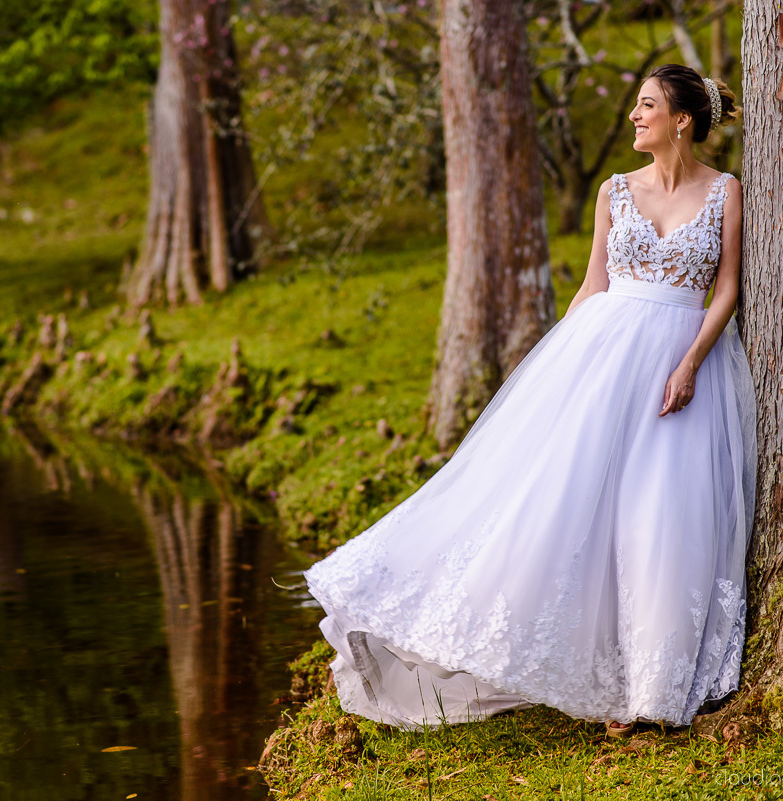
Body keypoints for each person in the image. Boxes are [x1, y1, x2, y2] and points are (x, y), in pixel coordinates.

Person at [303, 64, 756, 738]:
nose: (634, 116)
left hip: (683, 367)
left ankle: (650, 684)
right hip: (606, 358)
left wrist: (690, 362)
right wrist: (558, 369)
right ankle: (591, 675)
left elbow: (726, 288)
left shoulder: (724, 192)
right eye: (636, 105)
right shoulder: (613, 192)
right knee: (574, 511)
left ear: (681, 119)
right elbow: (592, 285)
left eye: (647, 106)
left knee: (660, 519)